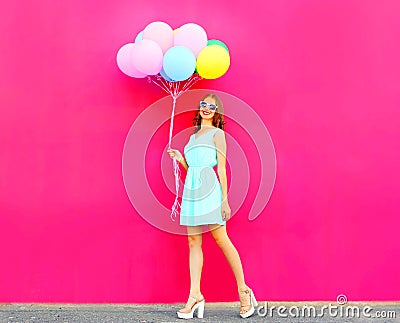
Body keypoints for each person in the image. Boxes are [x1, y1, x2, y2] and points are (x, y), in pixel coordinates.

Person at [167, 93, 258, 319]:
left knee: (221, 239)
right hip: (191, 190)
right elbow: (193, 167)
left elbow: (221, 169)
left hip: (209, 190)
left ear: (217, 112)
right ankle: (195, 295)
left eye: (212, 106)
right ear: (199, 109)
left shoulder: (218, 135)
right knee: (193, 241)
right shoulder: (192, 138)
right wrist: (180, 158)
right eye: (203, 104)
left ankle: (244, 291)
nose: (206, 108)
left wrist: (224, 200)